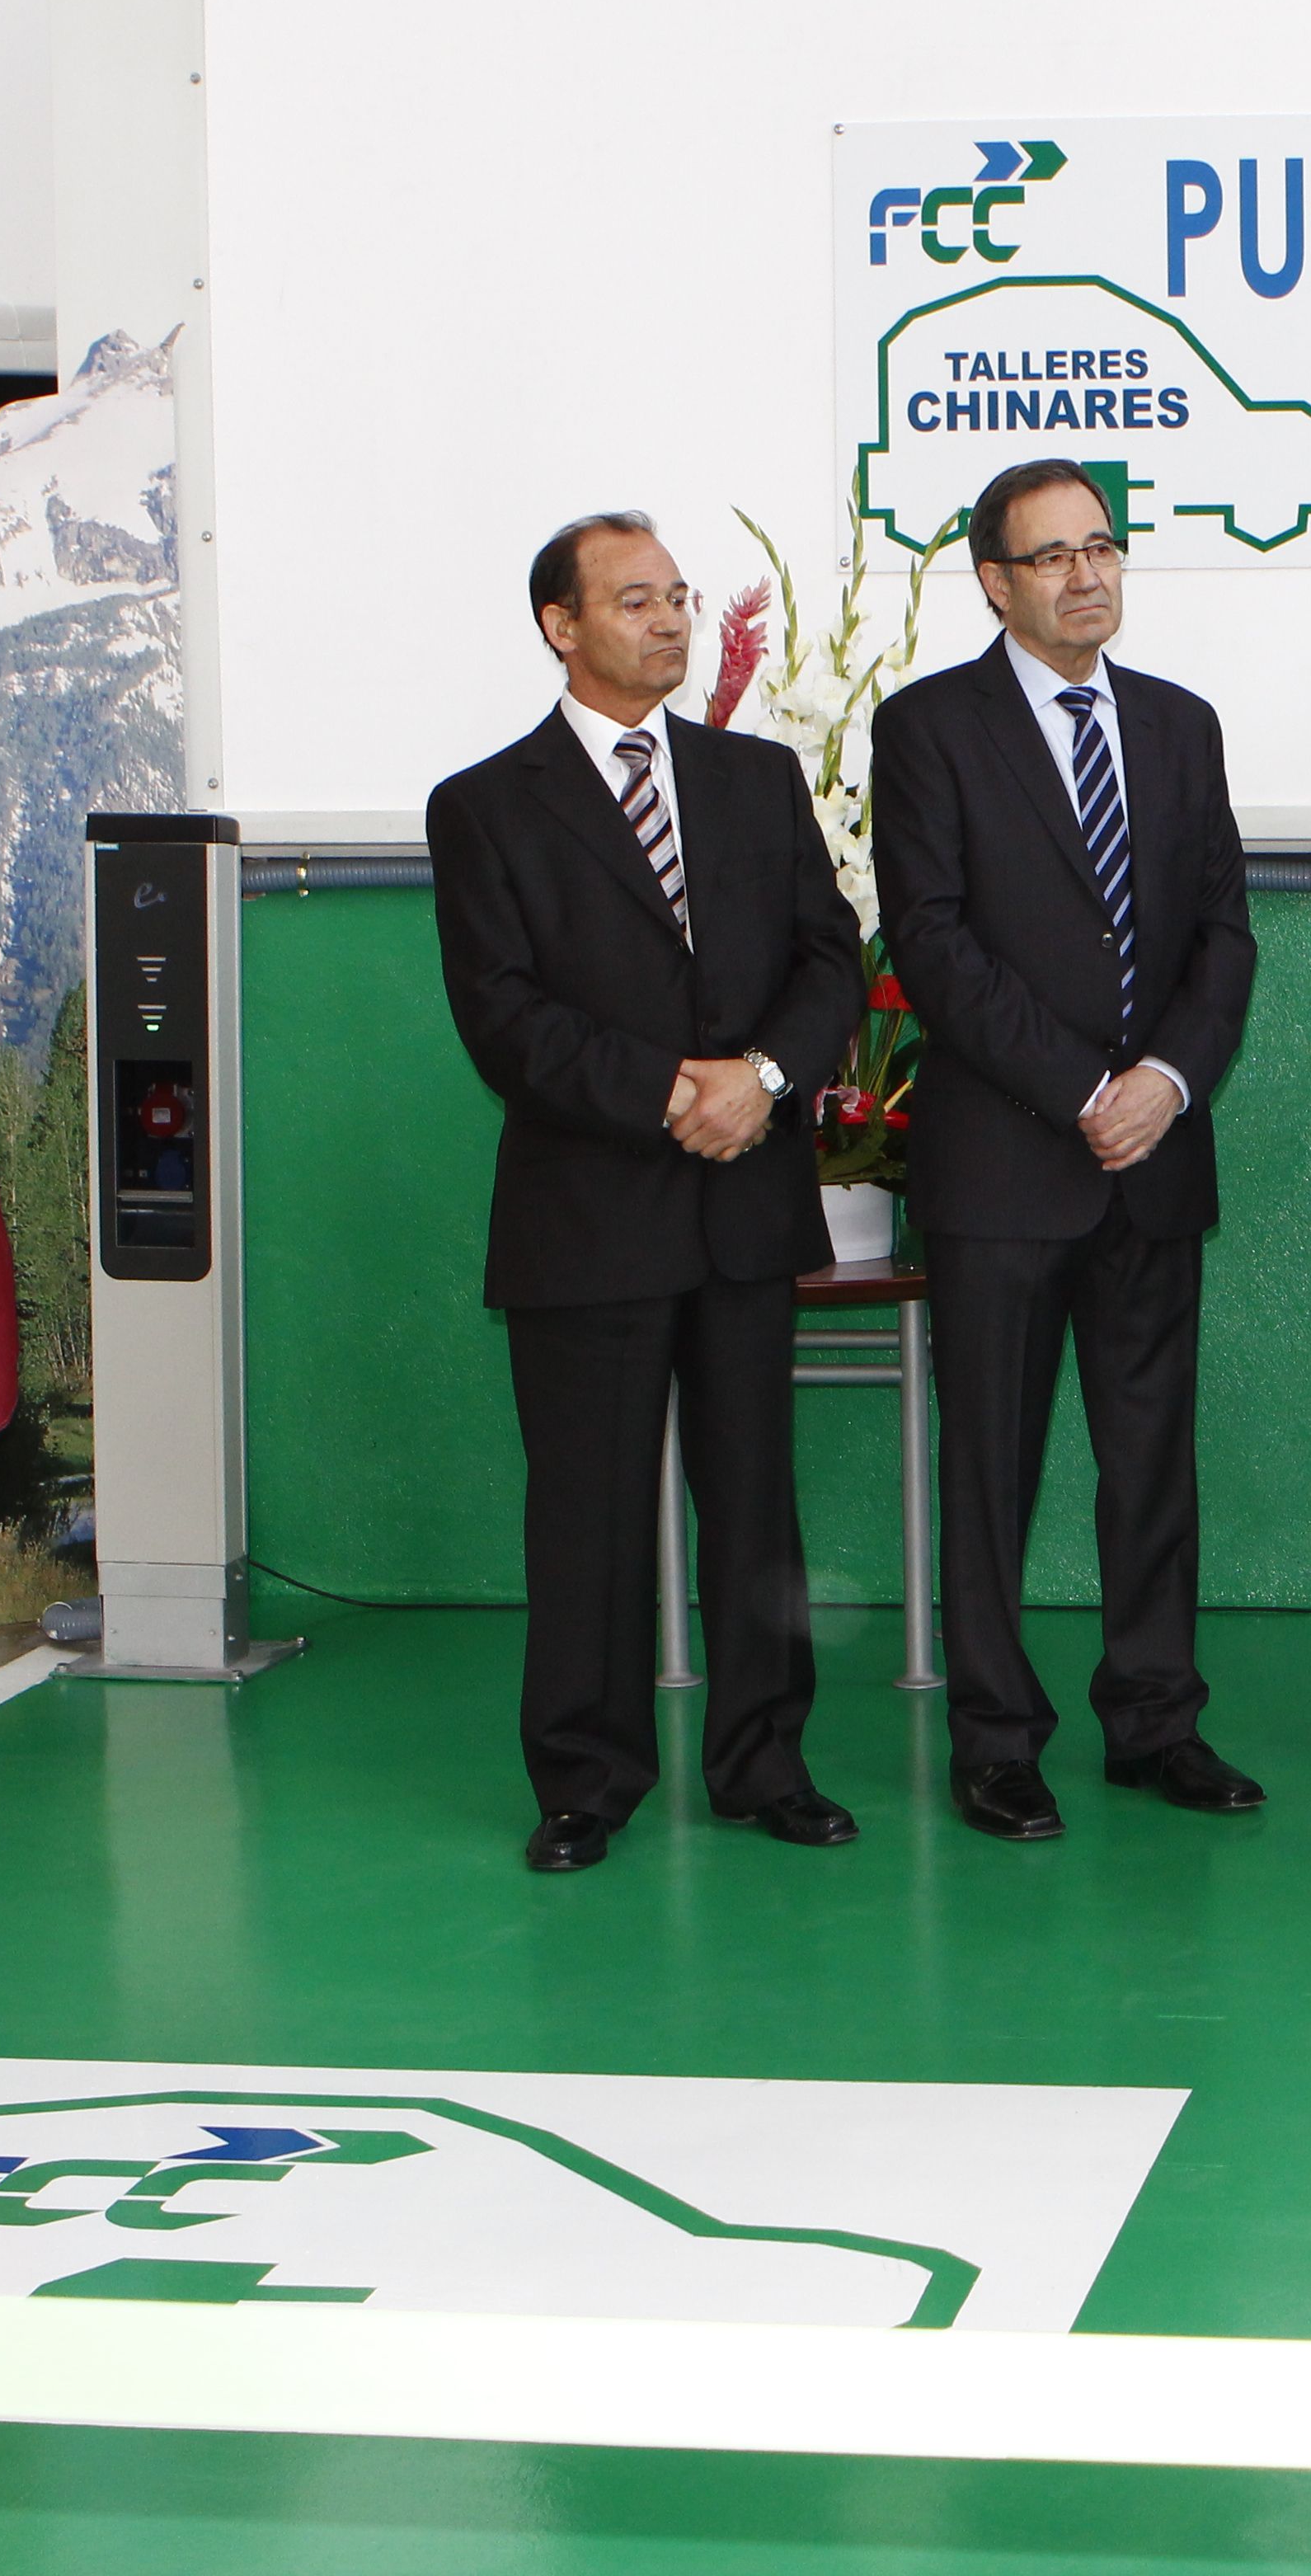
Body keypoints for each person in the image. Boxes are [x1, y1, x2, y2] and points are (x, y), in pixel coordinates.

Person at [427, 512, 869, 1874]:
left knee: (755, 1504)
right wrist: (677, 1092)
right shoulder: (485, 806)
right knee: (589, 1513)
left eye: (678, 596)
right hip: (587, 1213)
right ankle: (586, 1779)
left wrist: (765, 1077)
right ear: (560, 626)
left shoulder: (753, 778)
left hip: (744, 1207)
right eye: (635, 600)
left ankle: (765, 1764)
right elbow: (504, 1018)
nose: (671, 620)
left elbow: (831, 958)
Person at [871, 458, 1262, 1842]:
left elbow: (1223, 934)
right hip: (1004, 1166)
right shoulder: (930, 728)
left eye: (1101, 547)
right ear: (994, 582)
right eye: (1053, 556)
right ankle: (995, 1739)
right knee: (990, 1467)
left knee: (1151, 1463)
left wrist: (1164, 1083)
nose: (1087, 574)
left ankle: (1156, 1719)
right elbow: (931, 943)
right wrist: (1084, 1087)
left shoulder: (1177, 724)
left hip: (1153, 1159)